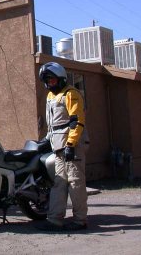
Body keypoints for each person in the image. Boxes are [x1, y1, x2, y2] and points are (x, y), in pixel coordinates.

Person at [36, 62, 88, 231]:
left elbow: (76, 121)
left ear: (60, 78)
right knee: (59, 182)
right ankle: (55, 219)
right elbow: (53, 124)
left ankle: (80, 220)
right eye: (47, 81)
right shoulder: (51, 97)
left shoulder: (71, 94)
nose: (49, 84)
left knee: (75, 182)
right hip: (58, 145)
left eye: (51, 80)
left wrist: (71, 144)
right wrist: (46, 140)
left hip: (72, 144)